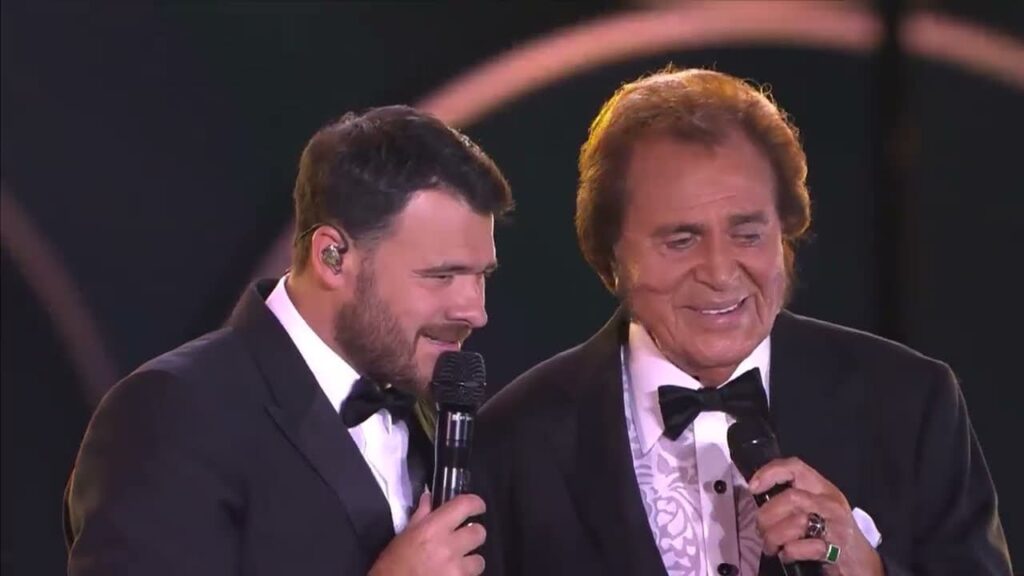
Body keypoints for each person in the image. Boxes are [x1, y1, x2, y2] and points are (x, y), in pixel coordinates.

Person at [476, 68, 1011, 576]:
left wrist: (866, 568)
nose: (719, 272)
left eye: (748, 235)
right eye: (680, 240)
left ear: (785, 236)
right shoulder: (517, 441)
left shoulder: (909, 402)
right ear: (611, 256)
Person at [64, 105, 513, 576]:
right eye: (441, 276)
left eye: (481, 276)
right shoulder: (173, 412)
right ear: (332, 257)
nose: (475, 311)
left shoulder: (436, 417)